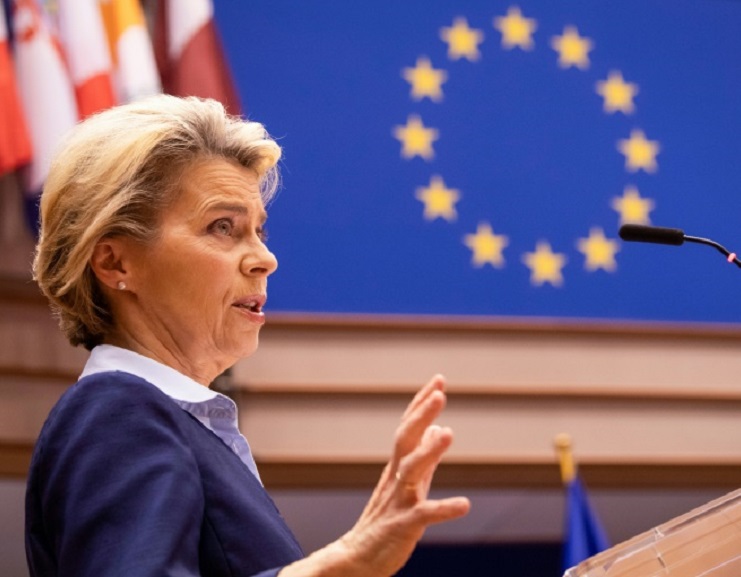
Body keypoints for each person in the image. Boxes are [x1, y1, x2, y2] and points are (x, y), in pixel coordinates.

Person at [26, 94, 470, 577]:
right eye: (223, 227)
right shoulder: (116, 411)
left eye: (260, 231)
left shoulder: (180, 427)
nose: (265, 259)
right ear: (115, 262)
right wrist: (343, 565)